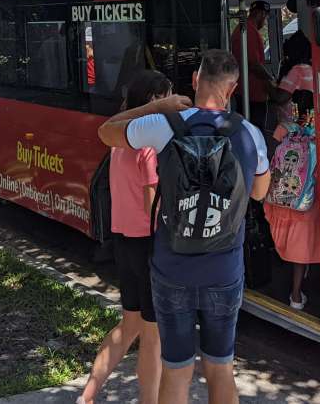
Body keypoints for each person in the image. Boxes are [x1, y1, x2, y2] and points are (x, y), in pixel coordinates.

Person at [98, 50, 271, 404]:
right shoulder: (249, 133)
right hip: (224, 269)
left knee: (176, 370)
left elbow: (106, 132)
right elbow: (259, 192)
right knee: (220, 368)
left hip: (172, 268)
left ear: (195, 80)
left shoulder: (165, 125)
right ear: (233, 87)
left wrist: (154, 108)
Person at [79, 70, 174, 404]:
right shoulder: (148, 144)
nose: (172, 103)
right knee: (153, 337)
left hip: (124, 244)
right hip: (149, 246)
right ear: (152, 100)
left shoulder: (120, 142)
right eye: (167, 96)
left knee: (129, 325)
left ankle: (88, 395)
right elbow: (153, 203)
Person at [265, 31, 320, 309]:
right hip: (306, 199)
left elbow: (271, 149)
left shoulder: (287, 127)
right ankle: (298, 293)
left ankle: (290, 290)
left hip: (281, 197)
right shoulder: (318, 133)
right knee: (305, 241)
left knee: (289, 242)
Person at [230, 0, 275, 130]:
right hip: (251, 96)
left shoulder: (246, 29)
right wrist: (271, 81)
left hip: (249, 93)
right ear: (261, 14)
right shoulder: (247, 31)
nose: (265, 21)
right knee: (254, 133)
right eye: (265, 17)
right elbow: (254, 64)